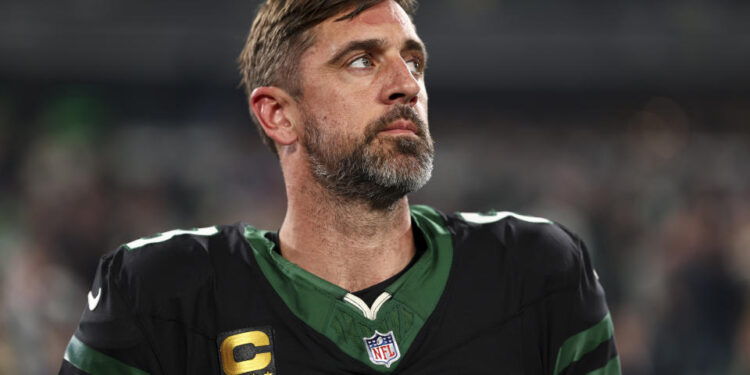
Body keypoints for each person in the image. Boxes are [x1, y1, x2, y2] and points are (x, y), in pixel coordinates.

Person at [59, 1, 620, 374]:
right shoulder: (159, 295)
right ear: (278, 114)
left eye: (413, 61)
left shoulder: (538, 272)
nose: (406, 85)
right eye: (361, 60)